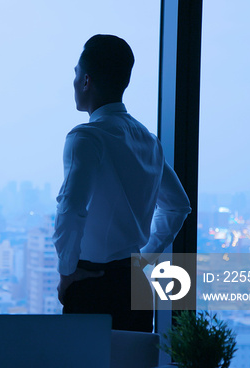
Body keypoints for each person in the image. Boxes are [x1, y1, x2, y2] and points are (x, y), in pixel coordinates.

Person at [53, 34, 191, 332]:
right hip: (135, 285)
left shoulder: (86, 138)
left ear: (87, 81)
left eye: (76, 74)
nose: (74, 82)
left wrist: (66, 273)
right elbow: (178, 207)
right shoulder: (148, 140)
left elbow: (72, 209)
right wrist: (143, 258)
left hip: (92, 284)